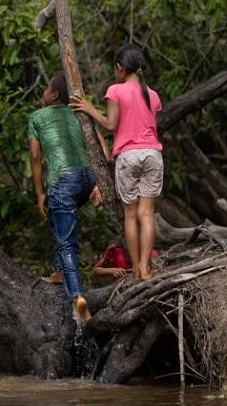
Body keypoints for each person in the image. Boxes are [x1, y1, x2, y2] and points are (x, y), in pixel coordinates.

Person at [71, 44, 163, 282]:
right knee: (147, 214)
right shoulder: (152, 95)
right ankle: (146, 268)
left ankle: (137, 271)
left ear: (120, 68)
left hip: (128, 156)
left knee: (131, 216)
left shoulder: (115, 91)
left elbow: (111, 125)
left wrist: (90, 109)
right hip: (152, 154)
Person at [28, 72, 102, 323]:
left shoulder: (37, 117)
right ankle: (60, 271)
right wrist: (99, 183)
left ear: (55, 94)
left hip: (63, 181)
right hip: (87, 178)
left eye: (46, 89)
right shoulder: (79, 113)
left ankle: (78, 298)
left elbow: (36, 158)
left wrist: (39, 192)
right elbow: (101, 149)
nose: (44, 93)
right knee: (60, 222)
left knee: (66, 241)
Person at [92, 240, 160, 282]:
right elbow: (95, 271)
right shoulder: (115, 247)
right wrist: (111, 270)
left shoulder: (152, 253)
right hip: (120, 292)